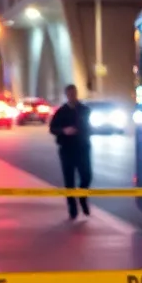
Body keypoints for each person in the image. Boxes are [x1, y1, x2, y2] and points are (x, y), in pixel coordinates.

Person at [49, 84, 92, 219]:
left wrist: (85, 132)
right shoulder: (61, 112)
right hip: (67, 149)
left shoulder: (84, 110)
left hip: (82, 148)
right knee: (69, 180)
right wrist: (64, 131)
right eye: (69, 94)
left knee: (86, 176)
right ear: (66, 95)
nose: (72, 96)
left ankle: (83, 198)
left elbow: (89, 127)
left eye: (74, 93)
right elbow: (52, 128)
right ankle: (72, 208)